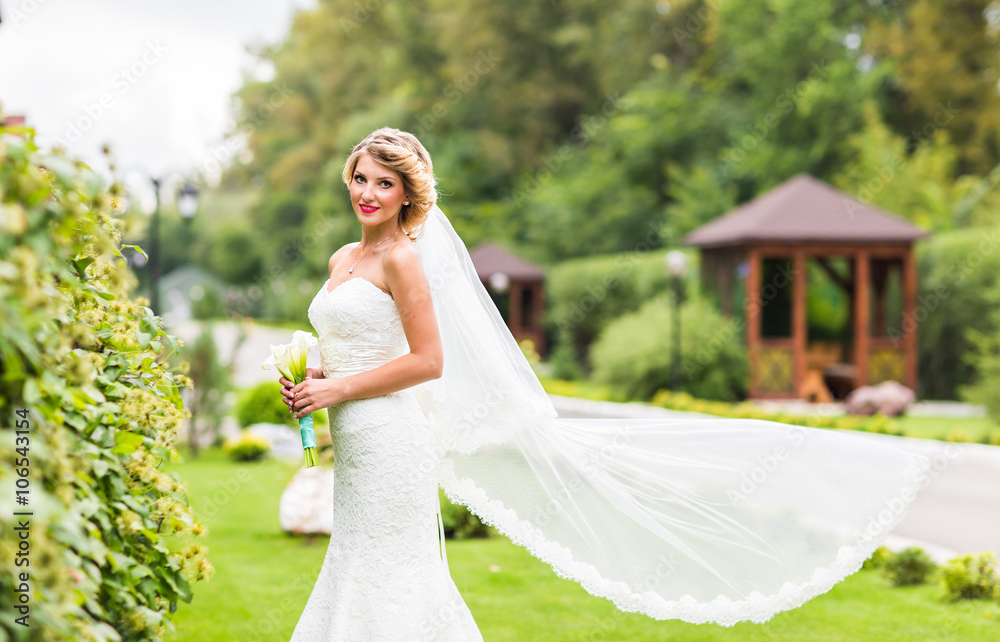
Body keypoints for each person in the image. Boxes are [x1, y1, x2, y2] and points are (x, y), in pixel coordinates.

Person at [280, 127, 932, 639]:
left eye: (384, 183)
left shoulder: (402, 259)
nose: (368, 192)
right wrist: (313, 375)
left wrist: (337, 389)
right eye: (360, 178)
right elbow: (350, 342)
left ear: (407, 195)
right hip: (356, 437)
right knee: (356, 556)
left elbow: (429, 360)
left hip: (392, 437)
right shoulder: (343, 258)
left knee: (395, 567)